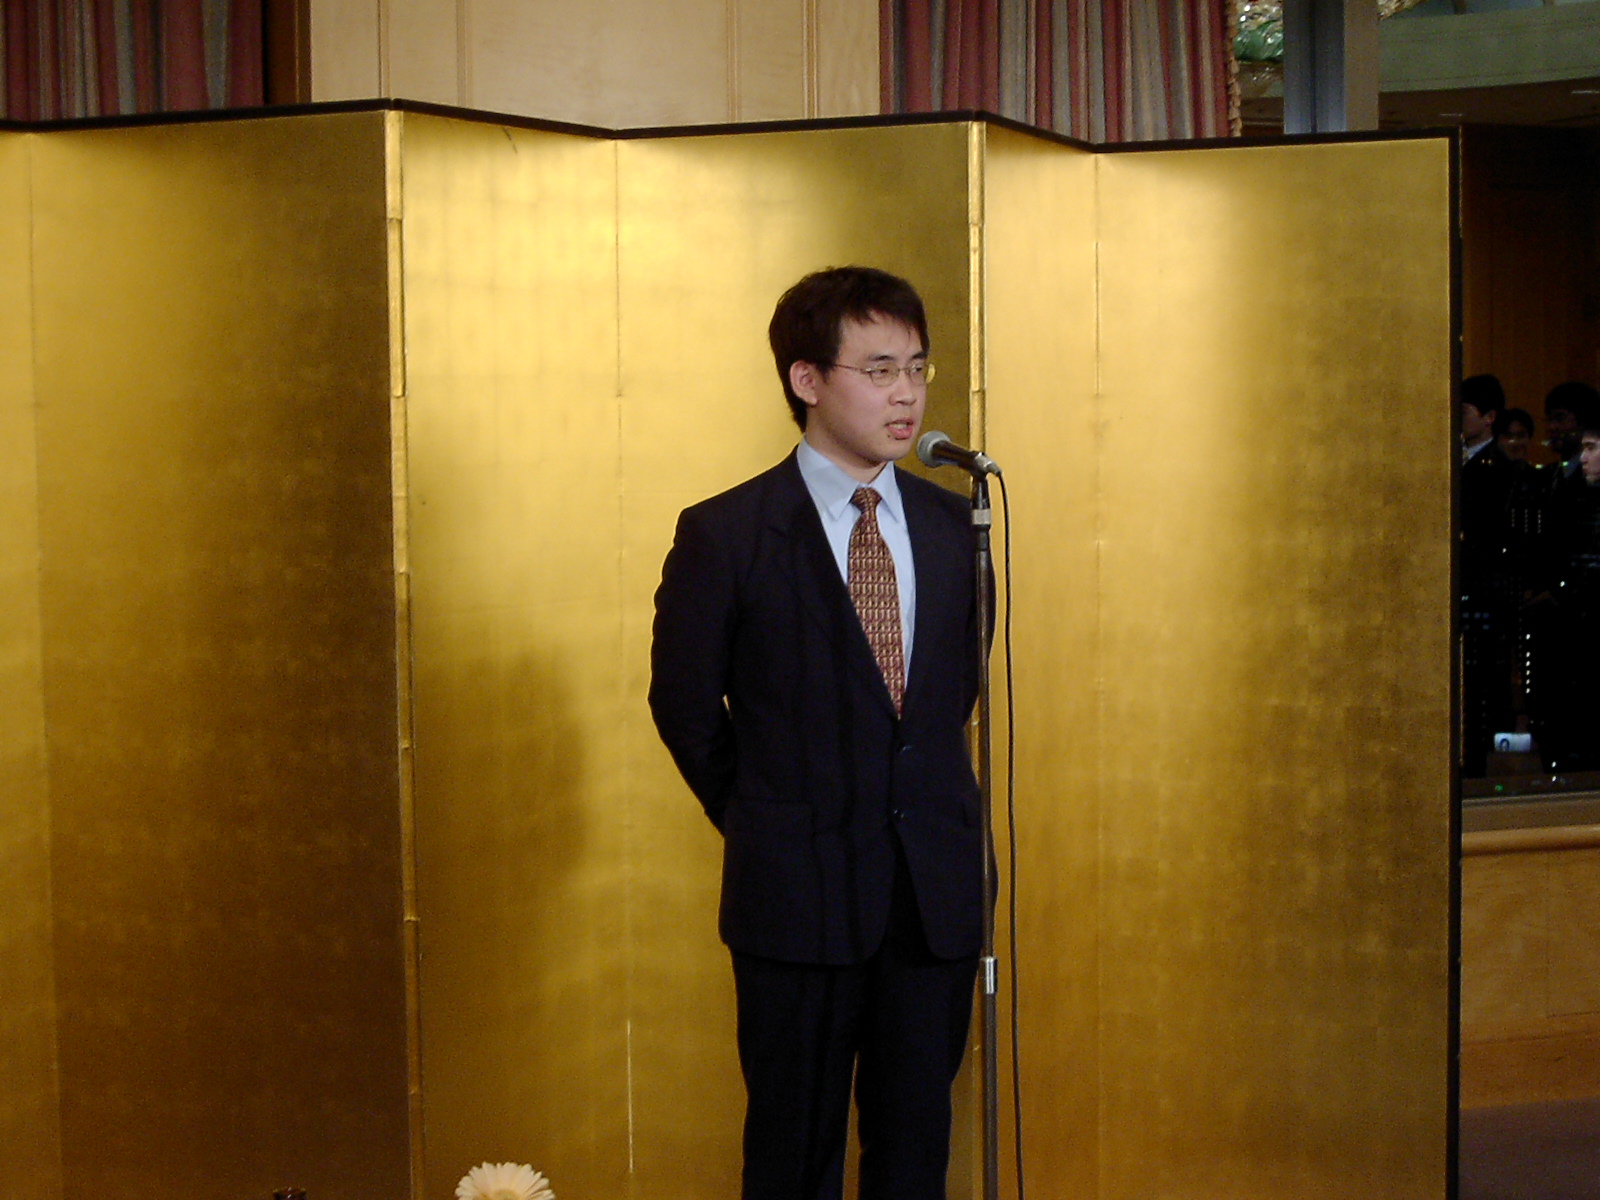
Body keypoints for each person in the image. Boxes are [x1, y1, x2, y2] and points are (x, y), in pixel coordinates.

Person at [649, 266, 984, 1200]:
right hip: (795, 901)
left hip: (929, 900)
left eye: (916, 367)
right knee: (793, 1161)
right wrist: (762, 816)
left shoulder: (956, 525)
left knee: (915, 1156)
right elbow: (684, 706)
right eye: (878, 370)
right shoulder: (728, 533)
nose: (906, 393)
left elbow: (946, 699)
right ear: (807, 379)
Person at [1460, 375, 1516, 775]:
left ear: (1489, 417)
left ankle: (1488, 766)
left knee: (1487, 683)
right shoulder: (1458, 458)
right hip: (1466, 587)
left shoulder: (1498, 467)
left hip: (1485, 588)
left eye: (1465, 412)